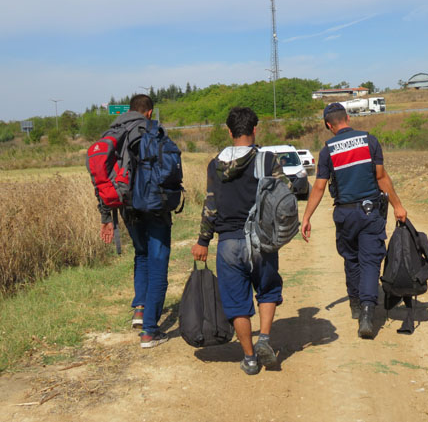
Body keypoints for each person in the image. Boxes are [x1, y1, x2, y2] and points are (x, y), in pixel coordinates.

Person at [191, 107, 288, 375]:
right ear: (255, 129)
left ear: (229, 131)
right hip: (261, 240)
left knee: (236, 303)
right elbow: (284, 196)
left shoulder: (214, 164)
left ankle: (249, 358)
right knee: (267, 290)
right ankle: (265, 340)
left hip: (229, 243)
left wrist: (203, 241)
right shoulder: (268, 160)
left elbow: (210, 206)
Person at [301, 102, 407, 339]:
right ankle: (368, 312)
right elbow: (381, 177)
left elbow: (318, 187)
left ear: (329, 125)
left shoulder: (328, 150)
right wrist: (397, 205)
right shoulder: (370, 141)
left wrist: (306, 217)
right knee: (370, 261)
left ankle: (356, 305)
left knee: (351, 259)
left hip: (345, 214)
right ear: (347, 118)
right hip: (371, 213)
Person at [98, 94, 172, 349]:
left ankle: (140, 310)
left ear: (130, 110)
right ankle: (150, 332)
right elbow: (168, 169)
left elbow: (102, 179)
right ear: (149, 112)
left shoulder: (113, 133)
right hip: (153, 206)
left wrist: (106, 215)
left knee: (141, 255)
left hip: (126, 207)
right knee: (158, 262)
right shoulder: (151, 129)